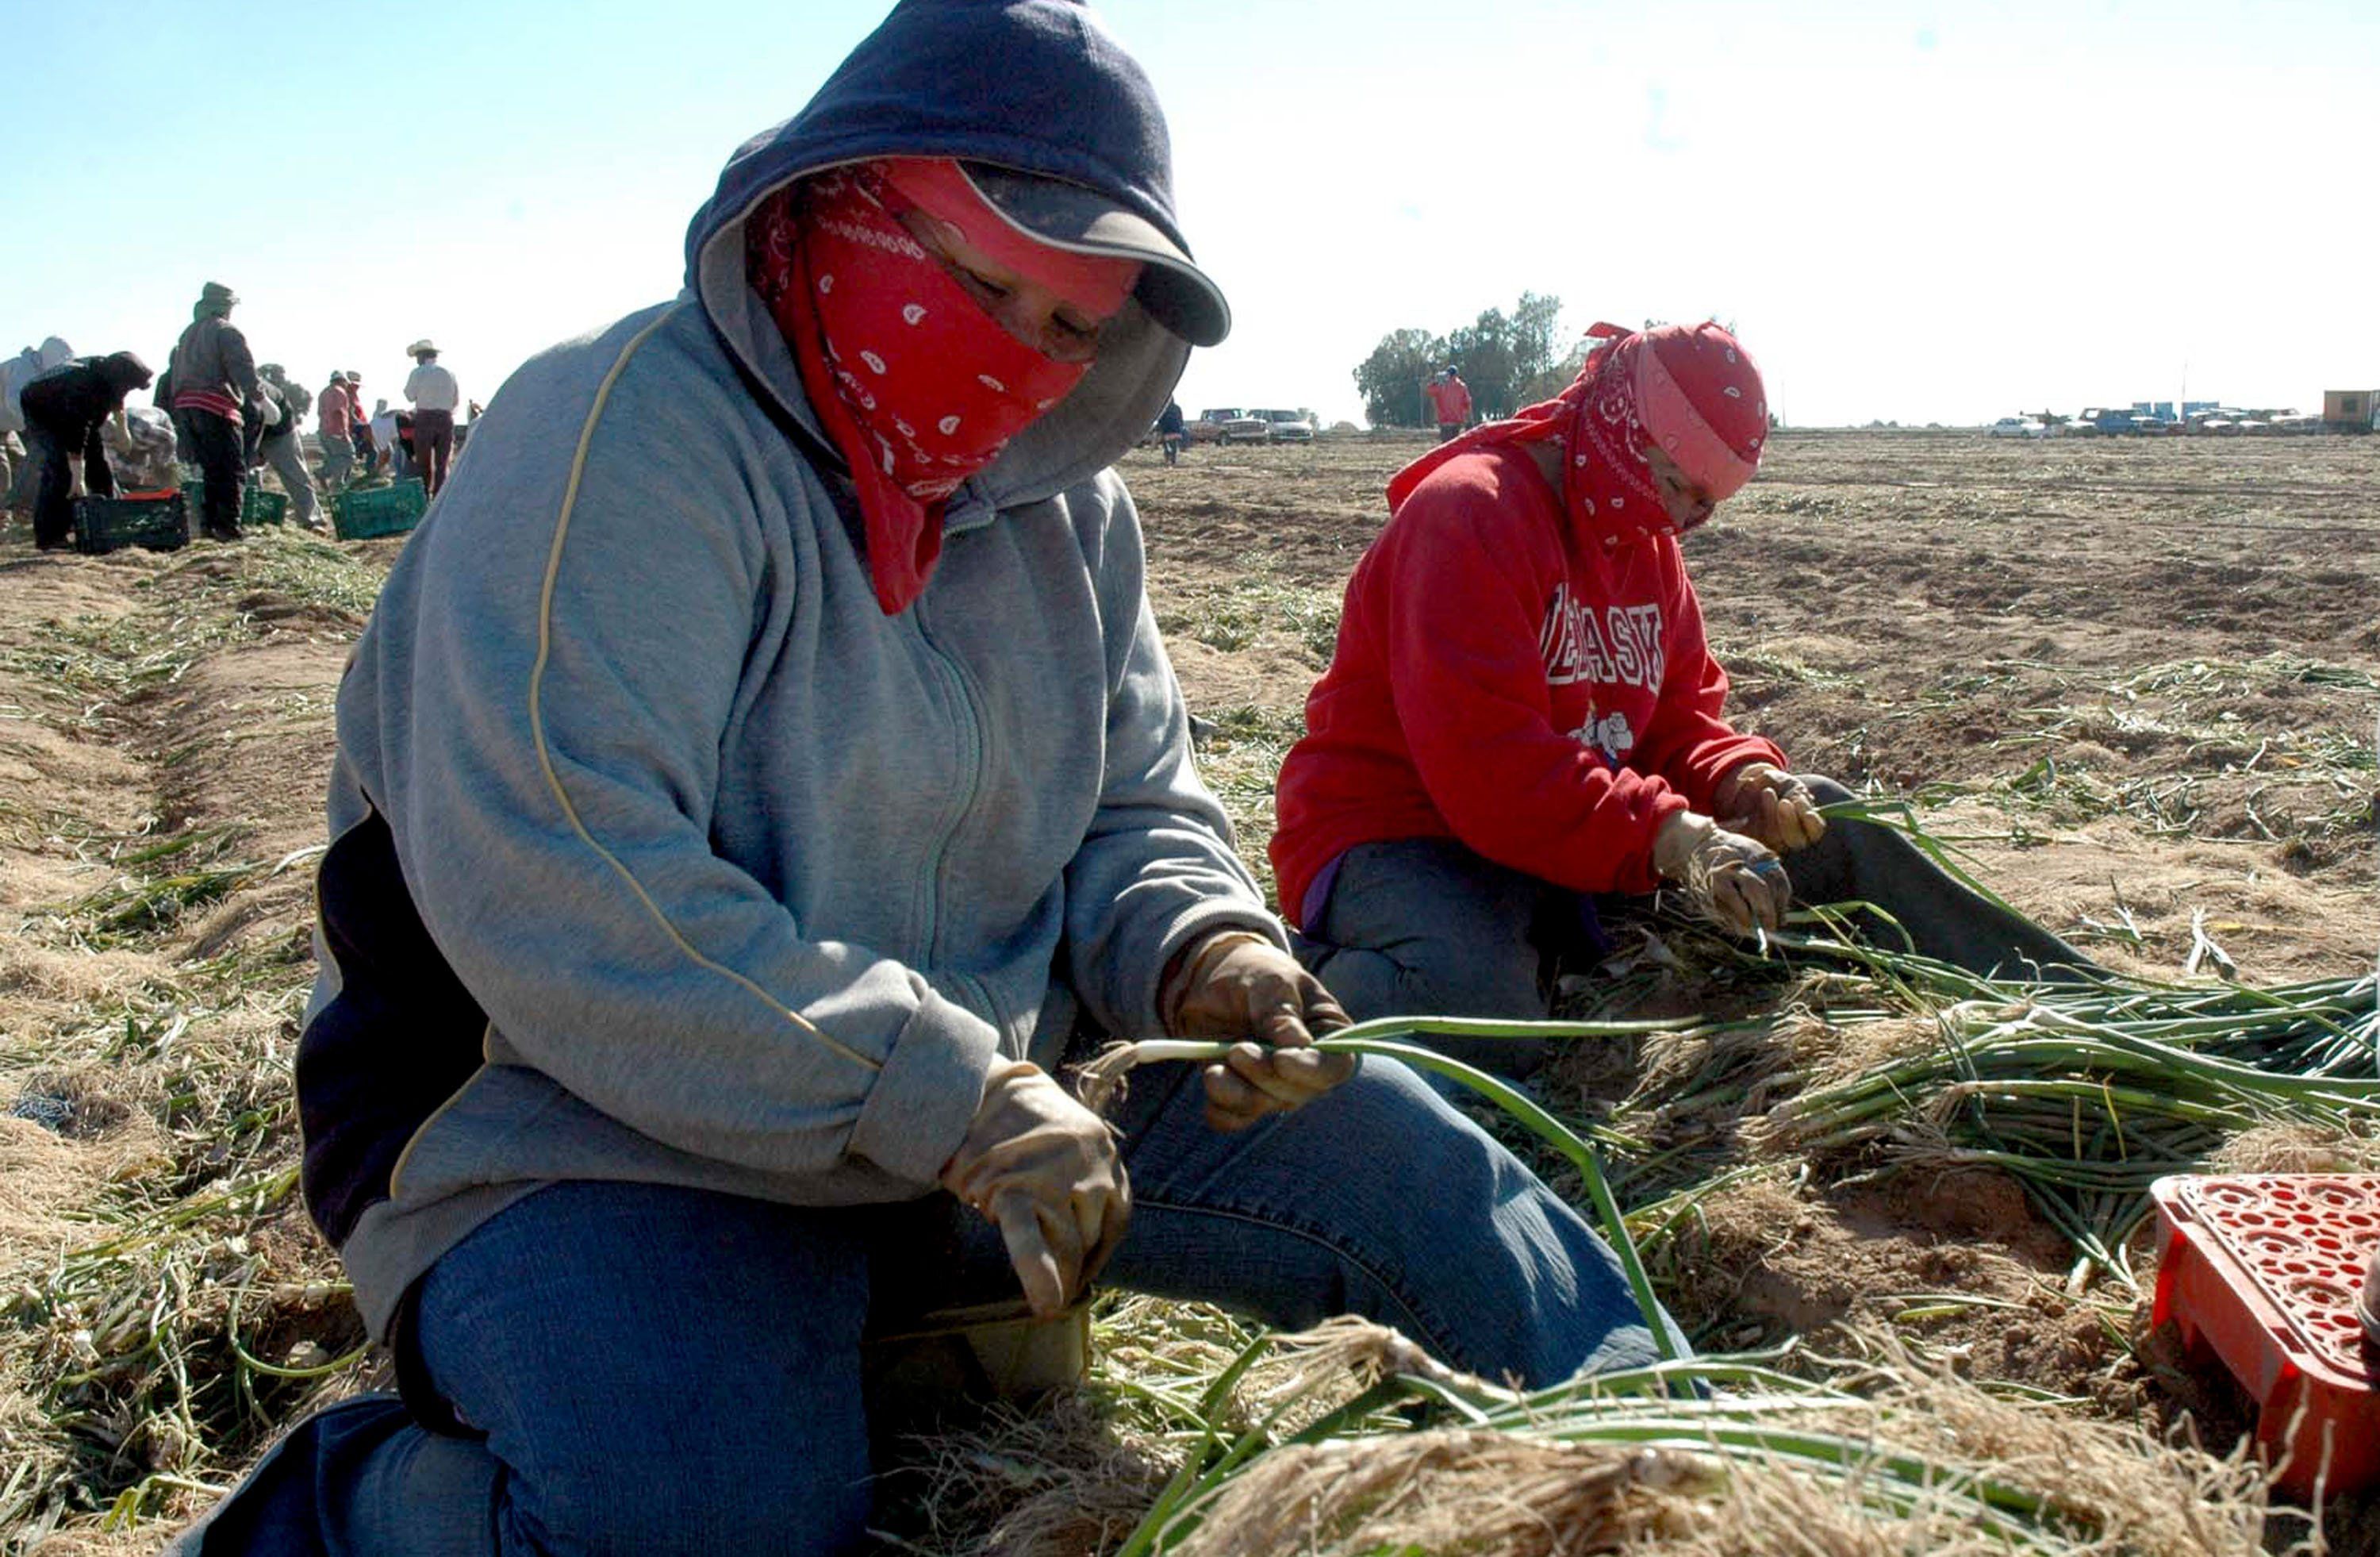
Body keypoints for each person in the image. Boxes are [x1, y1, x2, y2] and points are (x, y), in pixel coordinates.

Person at [165, 6, 1676, 1553]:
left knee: (1413, 1165)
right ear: (835, 202)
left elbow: (1131, 808)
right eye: (979, 283)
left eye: (1074, 327)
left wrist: (1205, 949)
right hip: (581, 1137)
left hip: (980, 1109)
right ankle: (344, 1512)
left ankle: (1697, 1474)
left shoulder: (1070, 520)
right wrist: (950, 1090)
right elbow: (565, 875)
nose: (1019, 361)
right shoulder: (619, 440)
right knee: (702, 1518)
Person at [1271, 321, 2092, 1078]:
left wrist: (1740, 784)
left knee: (1836, 830)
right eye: (1677, 485)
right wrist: (1675, 836)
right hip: (1404, 832)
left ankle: (2074, 1000)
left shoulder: (1644, 546)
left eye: (1709, 502)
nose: (1690, 520)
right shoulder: (1468, 515)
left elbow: (1675, 720)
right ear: (1622, 427)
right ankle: (1284, 977)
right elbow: (1490, 774)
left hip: (1560, 832)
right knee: (1486, 1009)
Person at [18, 352, 152, 550]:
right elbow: (76, 433)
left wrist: (122, 428)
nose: (127, 391)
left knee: (100, 466)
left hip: (74, 412)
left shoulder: (108, 376)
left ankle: (108, 525)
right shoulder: (83, 386)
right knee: (61, 468)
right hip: (42, 410)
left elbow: (116, 396)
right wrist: (78, 477)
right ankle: (51, 536)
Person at [167, 283, 260, 540]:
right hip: (215, 406)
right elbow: (242, 369)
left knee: (211, 469)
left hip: (187, 407)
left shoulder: (189, 333)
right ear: (225, 307)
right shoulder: (226, 332)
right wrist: (259, 397)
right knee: (232, 469)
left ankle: (209, 525)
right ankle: (229, 528)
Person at [2, 337, 74, 515]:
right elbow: (14, 403)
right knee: (2, 473)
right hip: (5, 423)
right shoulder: (21, 369)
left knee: (24, 463)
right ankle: (5, 517)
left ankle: (21, 511)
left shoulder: (41, 371)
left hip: (7, 426)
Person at [255, 365, 326, 530]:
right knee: (247, 475)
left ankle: (313, 520)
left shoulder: (253, 389)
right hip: (254, 429)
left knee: (294, 473)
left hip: (280, 430)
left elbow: (263, 420)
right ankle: (252, 517)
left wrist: (253, 451)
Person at [401, 339, 461, 497]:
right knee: (442, 463)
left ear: (421, 357)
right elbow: (455, 401)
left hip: (425, 418)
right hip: (445, 418)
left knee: (424, 463)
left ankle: (424, 495)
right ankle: (439, 496)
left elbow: (409, 396)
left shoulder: (418, 372)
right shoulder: (450, 373)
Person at [317, 371, 355, 488]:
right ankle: (323, 473)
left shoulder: (323, 393)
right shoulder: (340, 392)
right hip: (336, 431)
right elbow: (339, 412)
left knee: (335, 457)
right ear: (342, 381)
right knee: (349, 456)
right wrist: (344, 432)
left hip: (323, 430)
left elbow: (319, 412)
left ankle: (338, 483)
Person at [1424, 363, 1472, 441]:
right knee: (1454, 443)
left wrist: (1434, 381)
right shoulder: (1462, 386)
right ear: (1457, 374)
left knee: (1446, 445)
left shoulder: (1441, 385)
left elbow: (1429, 391)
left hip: (1444, 421)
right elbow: (1467, 403)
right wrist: (1468, 419)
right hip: (1457, 421)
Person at [346, 372, 378, 479]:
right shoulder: (348, 396)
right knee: (368, 452)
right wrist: (363, 425)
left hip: (360, 429)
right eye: (355, 385)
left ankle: (369, 474)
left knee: (367, 453)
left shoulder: (354, 396)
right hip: (356, 430)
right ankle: (370, 475)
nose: (357, 387)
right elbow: (350, 415)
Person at [1157, 396, 1187, 465]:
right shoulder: (1177, 408)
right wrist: (1181, 428)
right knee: (1174, 447)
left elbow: (1160, 420)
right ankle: (1173, 460)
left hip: (1166, 431)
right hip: (1176, 431)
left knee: (1166, 446)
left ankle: (1167, 459)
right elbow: (1181, 419)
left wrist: (1159, 429)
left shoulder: (1163, 408)